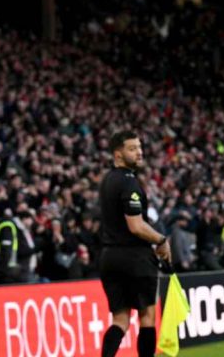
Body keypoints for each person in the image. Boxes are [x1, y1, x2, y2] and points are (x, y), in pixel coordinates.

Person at [97, 131, 171, 357]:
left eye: (139, 147)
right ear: (118, 155)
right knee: (147, 318)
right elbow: (136, 226)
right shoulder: (129, 183)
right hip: (135, 258)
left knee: (120, 320)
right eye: (132, 148)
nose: (139, 152)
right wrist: (161, 240)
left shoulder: (107, 180)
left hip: (109, 257)